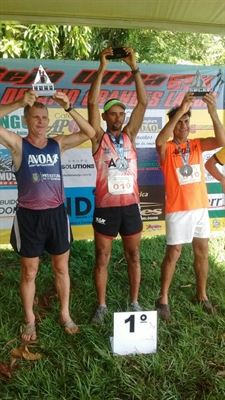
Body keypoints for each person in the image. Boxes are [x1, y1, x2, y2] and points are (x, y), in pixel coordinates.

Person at [0, 90, 95, 341]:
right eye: (35, 117)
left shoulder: (57, 143)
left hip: (56, 215)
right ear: (26, 120)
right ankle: (29, 319)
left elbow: (90, 133)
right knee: (29, 272)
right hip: (29, 217)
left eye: (44, 117)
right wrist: (20, 102)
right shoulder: (18, 144)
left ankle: (64, 313)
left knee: (61, 268)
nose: (41, 122)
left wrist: (69, 107)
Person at [88, 46, 147, 323]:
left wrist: (133, 66)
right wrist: (102, 67)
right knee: (102, 257)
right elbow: (91, 104)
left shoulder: (130, 136)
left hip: (130, 207)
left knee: (134, 254)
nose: (118, 117)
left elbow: (143, 104)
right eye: (112, 113)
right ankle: (101, 306)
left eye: (121, 114)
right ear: (105, 117)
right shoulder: (99, 138)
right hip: (106, 208)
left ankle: (134, 302)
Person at [155, 91, 225, 320]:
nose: (183, 125)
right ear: (173, 125)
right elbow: (158, 141)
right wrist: (180, 111)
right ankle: (163, 298)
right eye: (180, 121)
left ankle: (201, 295)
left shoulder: (196, 145)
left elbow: (222, 142)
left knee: (202, 252)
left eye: (187, 120)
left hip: (200, 208)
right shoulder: (166, 148)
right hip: (178, 210)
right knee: (173, 253)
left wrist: (213, 112)